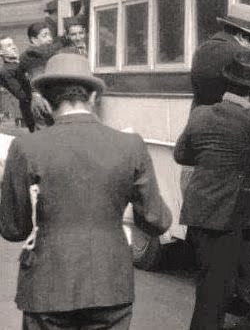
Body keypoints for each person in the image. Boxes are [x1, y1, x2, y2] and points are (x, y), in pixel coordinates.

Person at [0, 53, 172, 330]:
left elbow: (13, 228)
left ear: (45, 99)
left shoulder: (26, 148)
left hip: (47, 286)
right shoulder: (130, 145)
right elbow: (157, 220)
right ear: (93, 97)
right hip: (109, 283)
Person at [174, 52, 250, 330]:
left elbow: (182, 155)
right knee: (215, 296)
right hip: (227, 220)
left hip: (212, 216)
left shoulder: (200, 114)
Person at [190, 3, 250, 109]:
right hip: (230, 120)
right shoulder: (241, 55)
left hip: (199, 118)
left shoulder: (201, 49)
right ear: (242, 37)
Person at [18, 22, 61, 131]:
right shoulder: (30, 55)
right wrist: (63, 40)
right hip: (41, 100)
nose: (50, 38)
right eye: (45, 35)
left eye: (50, 35)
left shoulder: (47, 53)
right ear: (33, 40)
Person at [0, 36, 33, 130]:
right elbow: (21, 94)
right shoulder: (6, 71)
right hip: (29, 113)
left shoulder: (20, 64)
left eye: (13, 44)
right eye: (9, 46)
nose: (14, 47)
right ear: (1, 52)